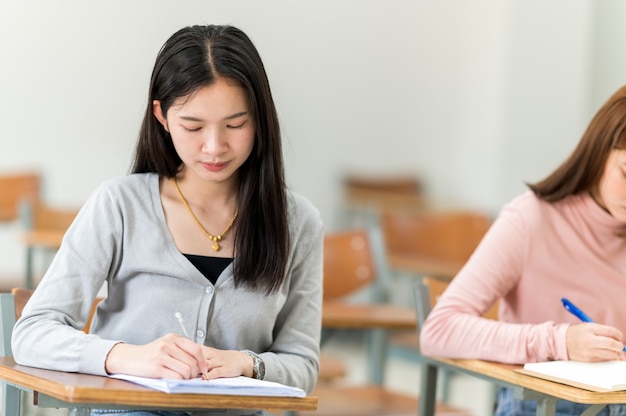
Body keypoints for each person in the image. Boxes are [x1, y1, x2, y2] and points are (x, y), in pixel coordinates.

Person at [11, 24, 324, 416]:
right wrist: (125, 356)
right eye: (193, 126)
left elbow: (303, 364)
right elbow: (32, 333)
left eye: (235, 124)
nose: (214, 146)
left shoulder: (300, 223)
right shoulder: (120, 205)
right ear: (161, 115)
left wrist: (249, 363)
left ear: (260, 119)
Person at [420, 84, 626, 416]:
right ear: (600, 151)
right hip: (542, 407)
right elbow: (439, 330)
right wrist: (559, 343)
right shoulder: (530, 220)